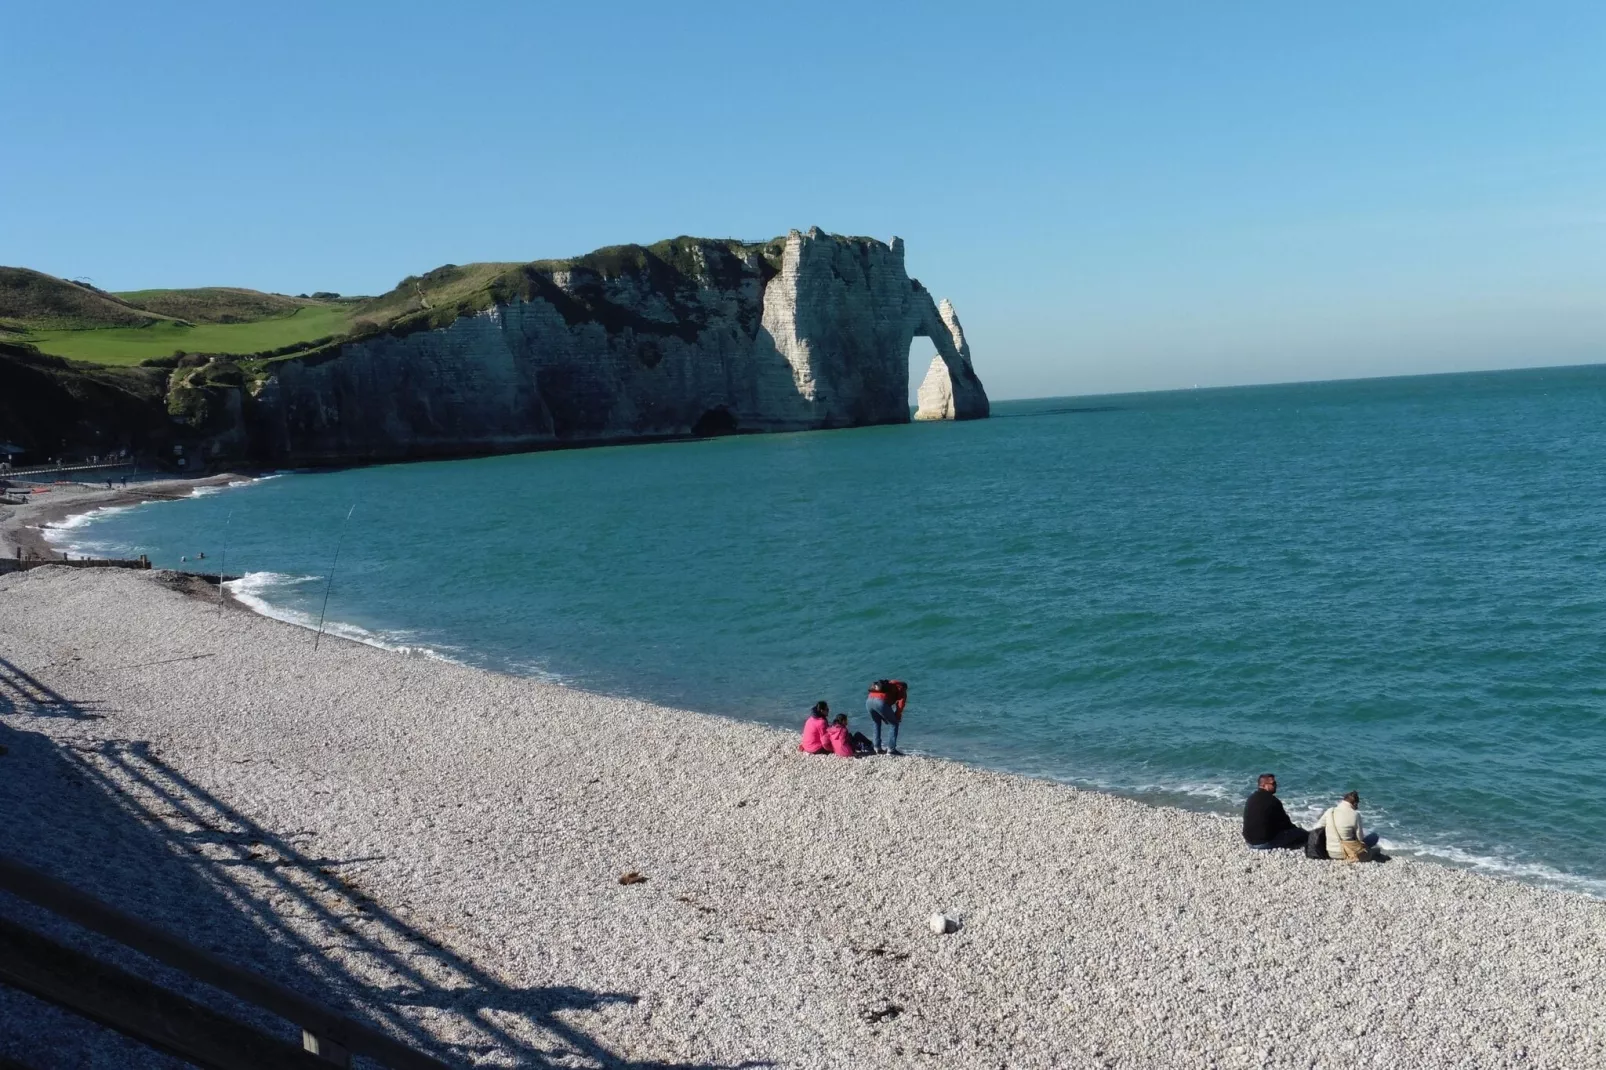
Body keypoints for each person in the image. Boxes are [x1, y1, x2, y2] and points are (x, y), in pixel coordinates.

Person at [1242, 773, 1307, 850]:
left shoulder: (1251, 798)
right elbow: (1286, 823)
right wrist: (1296, 830)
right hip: (1263, 843)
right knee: (1300, 833)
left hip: (1249, 841)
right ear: (1264, 785)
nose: (1276, 785)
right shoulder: (1273, 801)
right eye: (1273, 783)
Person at [1314, 791, 1380, 862]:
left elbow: (1316, 827)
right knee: (1374, 836)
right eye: (1357, 804)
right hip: (1346, 852)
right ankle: (1371, 852)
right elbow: (1360, 839)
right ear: (1354, 803)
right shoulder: (1355, 815)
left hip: (1330, 852)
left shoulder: (1330, 811)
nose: (1357, 807)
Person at [866, 679, 907, 754]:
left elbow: (887, 701)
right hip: (880, 702)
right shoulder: (902, 689)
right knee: (894, 724)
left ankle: (876, 748)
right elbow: (900, 705)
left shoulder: (888, 684)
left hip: (869, 701)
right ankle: (891, 749)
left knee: (876, 723)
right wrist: (897, 716)